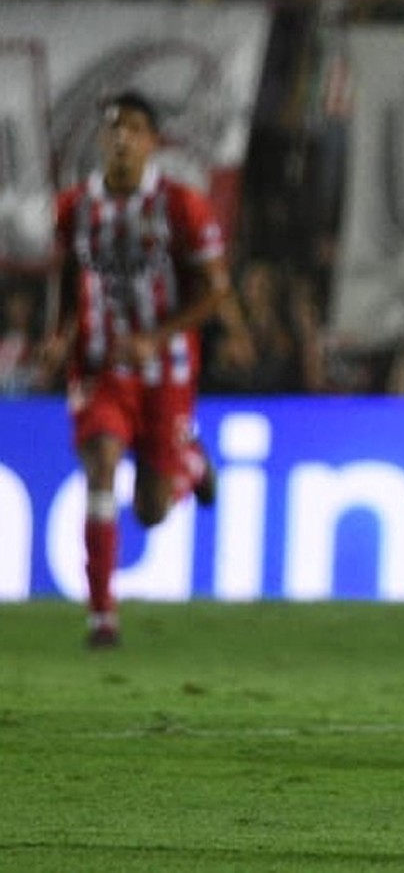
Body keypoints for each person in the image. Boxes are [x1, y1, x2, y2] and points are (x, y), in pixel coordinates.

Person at [34, 91, 233, 649]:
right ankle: (102, 616)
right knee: (100, 464)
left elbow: (216, 290)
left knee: (150, 510)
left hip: (165, 369)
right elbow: (71, 283)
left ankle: (190, 464)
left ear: (152, 142)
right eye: (114, 127)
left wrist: (158, 337)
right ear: (104, 138)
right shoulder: (75, 206)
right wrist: (59, 337)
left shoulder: (181, 207)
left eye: (135, 128)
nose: (122, 137)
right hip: (99, 368)